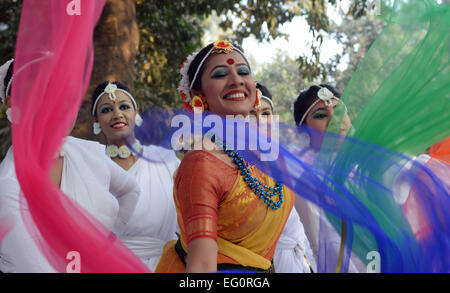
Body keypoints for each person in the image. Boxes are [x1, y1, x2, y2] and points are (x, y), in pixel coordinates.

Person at [155, 40, 295, 273]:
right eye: (220, 74)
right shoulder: (202, 163)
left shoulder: (270, 157)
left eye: (243, 71)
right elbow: (201, 267)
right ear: (198, 95)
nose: (236, 79)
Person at [0, 60, 141, 273]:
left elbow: (131, 190)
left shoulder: (89, 153)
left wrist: (109, 238)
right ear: (13, 105)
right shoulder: (10, 186)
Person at [90, 81, 180, 271]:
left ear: (136, 113)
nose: (117, 114)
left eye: (124, 107)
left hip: (165, 266)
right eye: (106, 110)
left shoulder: (165, 160)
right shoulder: (90, 167)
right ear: (96, 121)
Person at [251, 82, 315, 273]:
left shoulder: (284, 164)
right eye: (250, 115)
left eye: (265, 113)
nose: (260, 122)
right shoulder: (229, 168)